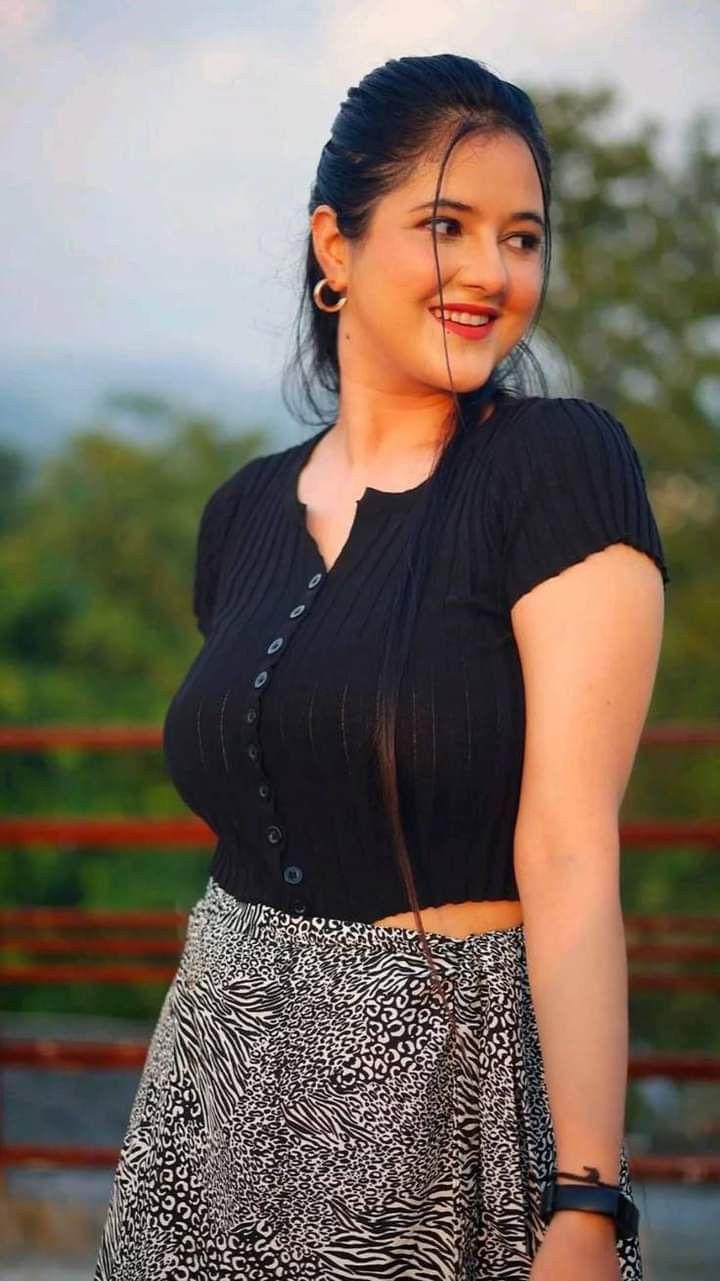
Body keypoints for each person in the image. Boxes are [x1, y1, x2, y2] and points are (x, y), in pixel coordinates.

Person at [94, 53, 669, 1280]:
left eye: (522, 238)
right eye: (445, 226)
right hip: (214, 1094)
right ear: (335, 247)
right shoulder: (241, 515)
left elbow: (571, 845)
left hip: (442, 1101)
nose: (493, 271)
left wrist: (587, 1198)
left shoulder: (559, 468)